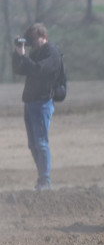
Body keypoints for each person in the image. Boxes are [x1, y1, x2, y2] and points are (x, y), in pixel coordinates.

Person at [12, 23, 61, 191]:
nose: (32, 41)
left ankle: (45, 180)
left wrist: (25, 58)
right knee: (33, 144)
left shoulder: (51, 53)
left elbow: (39, 70)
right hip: (30, 102)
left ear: (44, 36)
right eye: (30, 39)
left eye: (34, 38)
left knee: (41, 143)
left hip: (42, 102)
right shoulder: (35, 52)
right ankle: (42, 179)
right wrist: (18, 54)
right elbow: (18, 69)